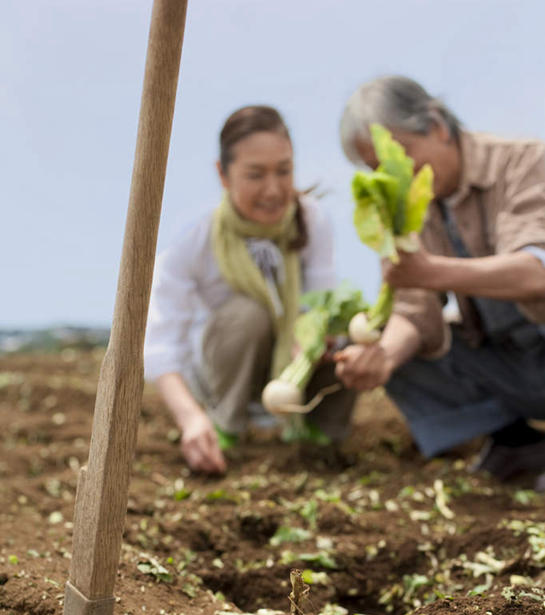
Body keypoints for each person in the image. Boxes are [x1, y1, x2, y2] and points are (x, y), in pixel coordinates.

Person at [335, 75, 545, 488]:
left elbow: (536, 270)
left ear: (436, 125)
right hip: (515, 363)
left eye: (400, 156)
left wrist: (431, 271)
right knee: (390, 346)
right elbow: (413, 310)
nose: (393, 177)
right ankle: (518, 446)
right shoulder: (408, 207)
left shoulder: (525, 163)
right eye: (377, 169)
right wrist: (384, 357)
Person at [144, 105, 355, 474]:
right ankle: (224, 426)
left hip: (295, 370)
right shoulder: (194, 241)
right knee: (248, 315)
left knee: (351, 329)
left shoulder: (312, 220)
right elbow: (160, 348)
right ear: (223, 175)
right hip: (225, 374)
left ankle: (317, 435)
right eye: (255, 175)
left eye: (284, 171)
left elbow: (322, 300)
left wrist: (313, 337)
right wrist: (190, 419)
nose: (273, 189)